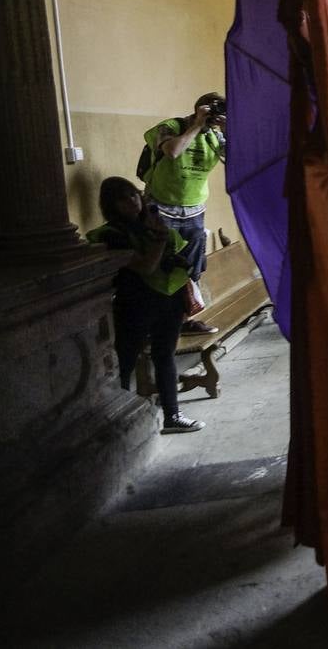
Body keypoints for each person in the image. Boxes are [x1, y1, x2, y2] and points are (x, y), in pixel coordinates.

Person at [87, 177, 205, 434]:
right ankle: (120, 421)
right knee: (125, 360)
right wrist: (160, 239)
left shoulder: (153, 226)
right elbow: (145, 266)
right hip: (135, 304)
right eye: (122, 199)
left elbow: (179, 258)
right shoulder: (110, 235)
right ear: (111, 205)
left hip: (168, 301)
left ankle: (172, 415)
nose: (131, 202)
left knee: (165, 356)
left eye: (133, 195)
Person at [142, 92, 227, 334]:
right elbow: (173, 151)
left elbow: (236, 159)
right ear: (200, 108)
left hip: (194, 211)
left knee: (191, 269)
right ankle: (158, 323)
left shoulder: (214, 135)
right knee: (162, 267)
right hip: (161, 209)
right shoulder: (170, 127)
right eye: (212, 109)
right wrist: (197, 124)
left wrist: (230, 129)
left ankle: (183, 321)